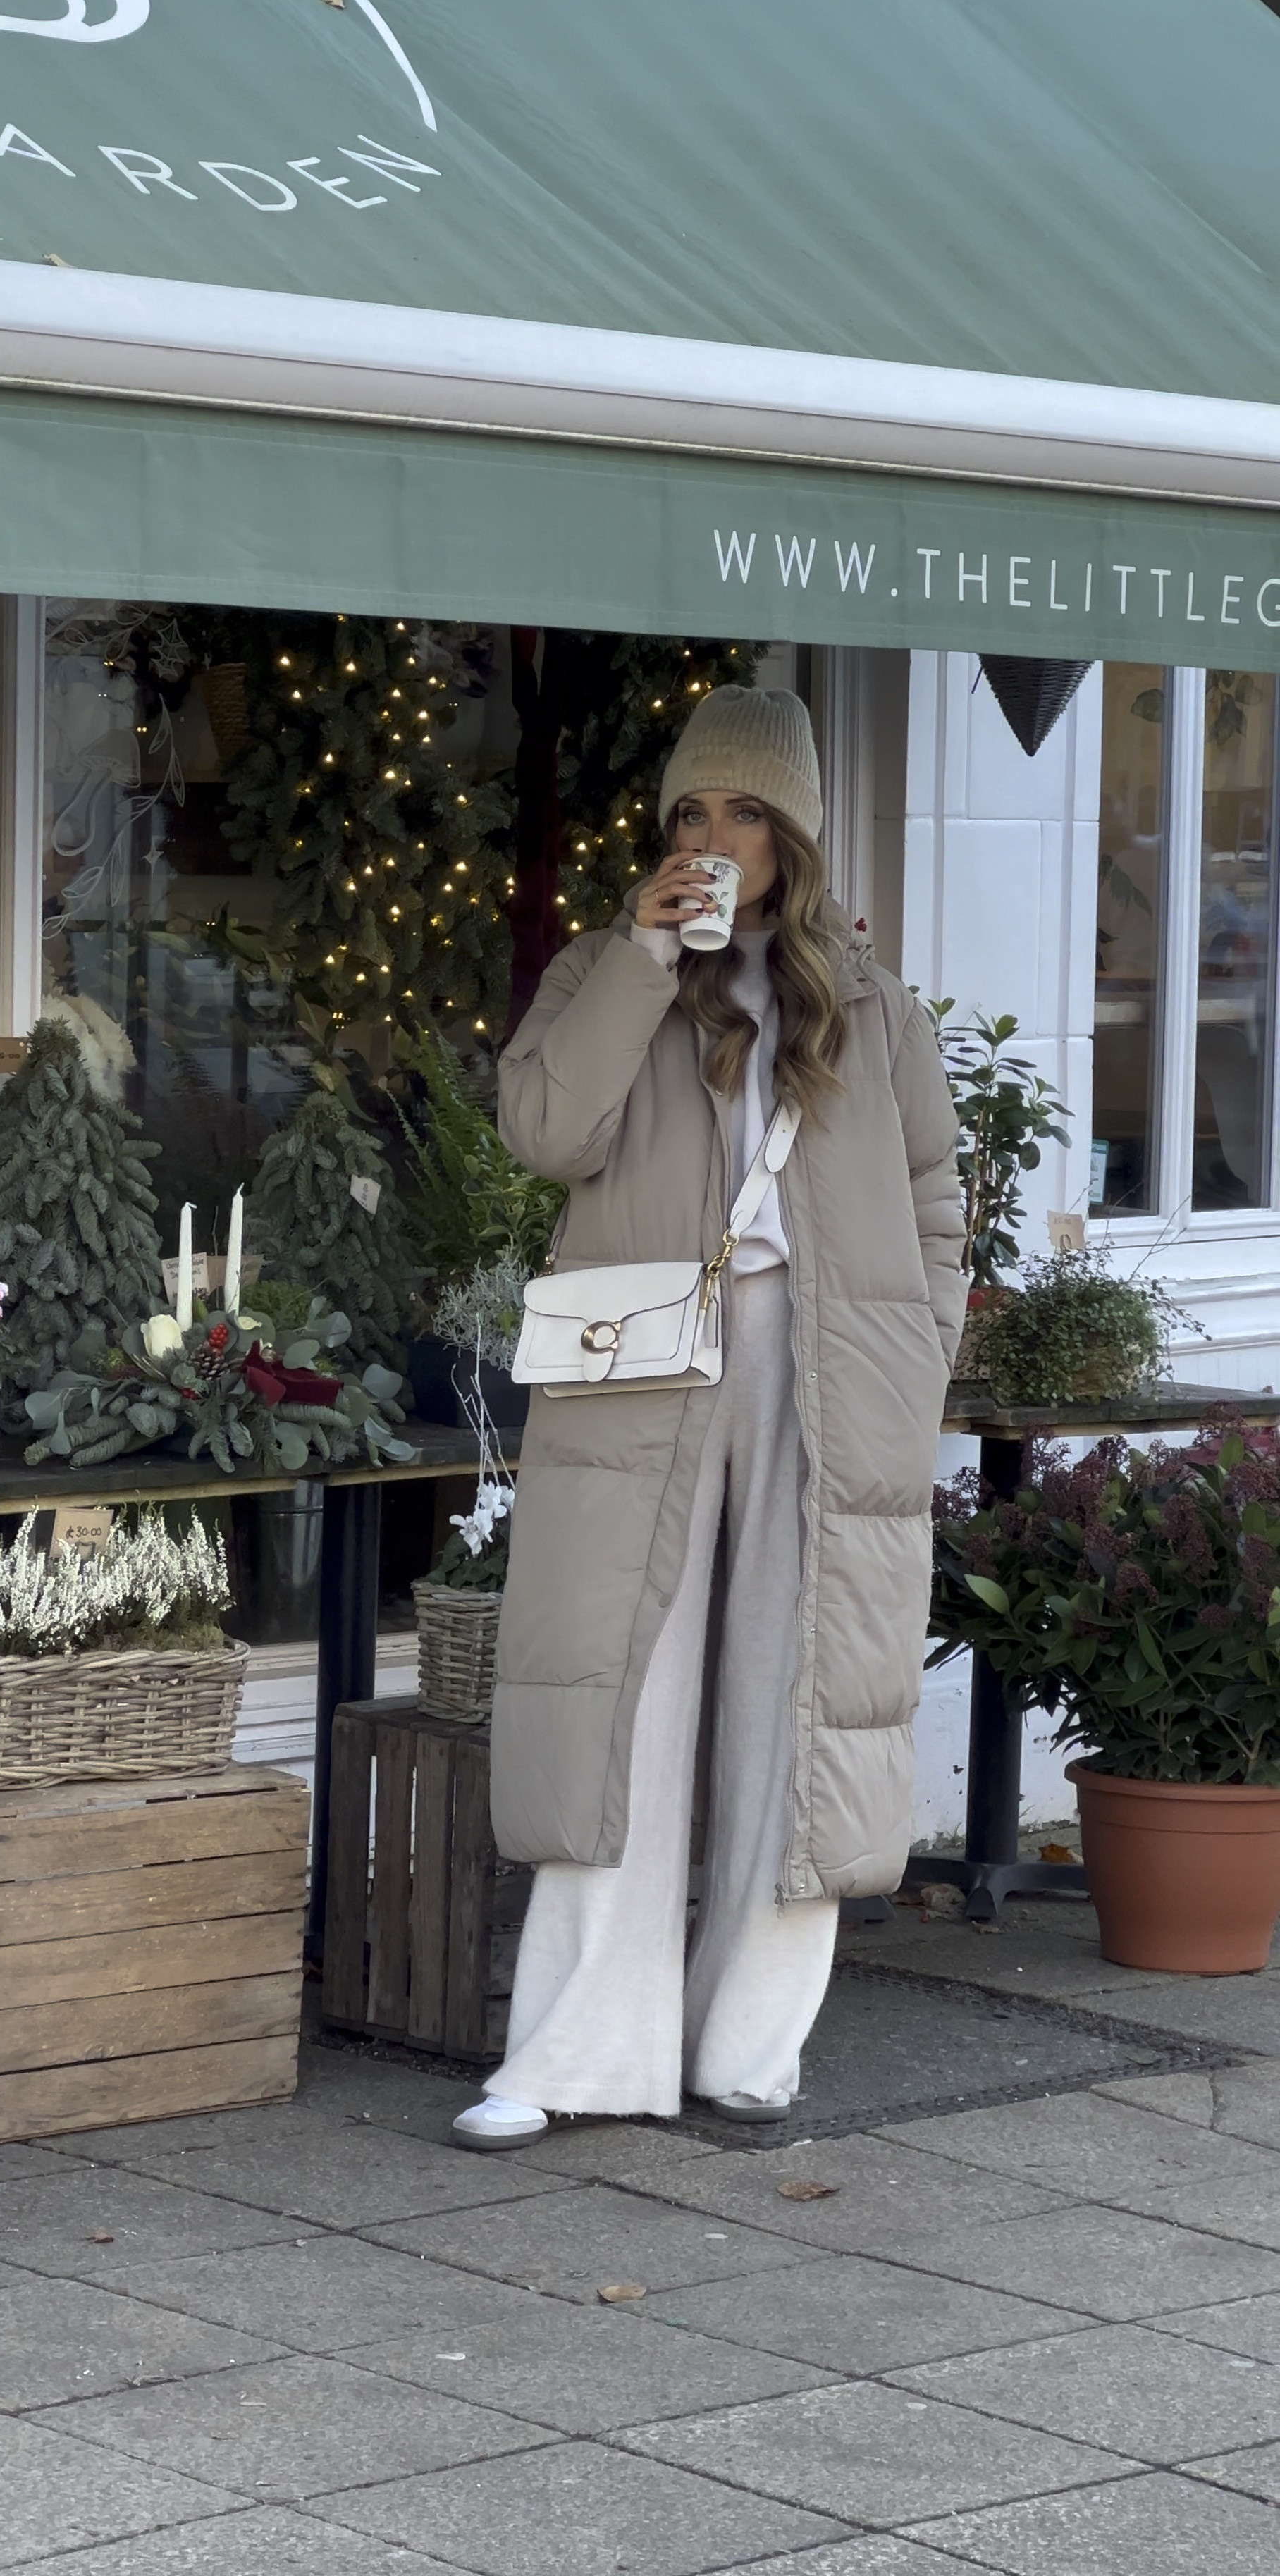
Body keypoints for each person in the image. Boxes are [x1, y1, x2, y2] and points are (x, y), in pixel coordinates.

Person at [453, 682, 965, 2149]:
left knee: (792, 1696)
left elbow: (936, 1201)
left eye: (745, 812)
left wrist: (916, 1353)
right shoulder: (599, 976)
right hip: (645, 1365)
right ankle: (572, 2055)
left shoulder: (872, 1009)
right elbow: (547, 1133)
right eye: (692, 812)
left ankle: (749, 2046)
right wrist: (632, 951)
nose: (716, 838)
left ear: (793, 836)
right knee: (627, 1693)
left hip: (829, 1364)